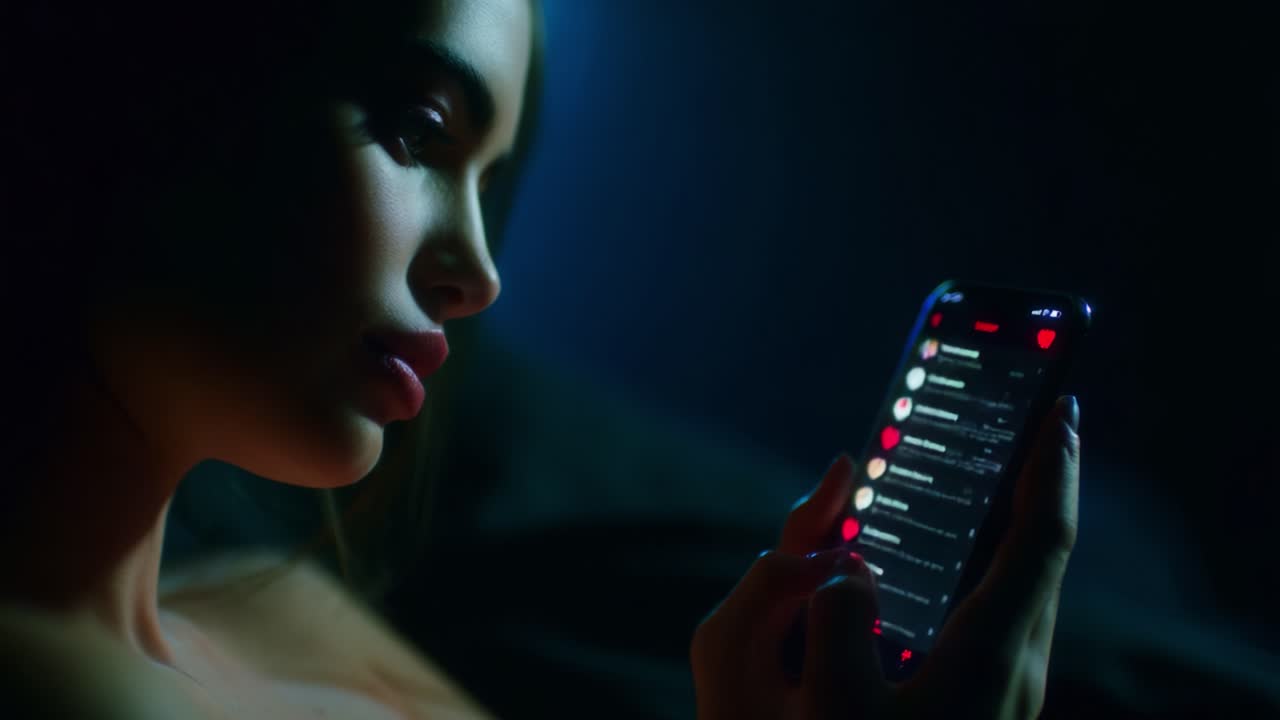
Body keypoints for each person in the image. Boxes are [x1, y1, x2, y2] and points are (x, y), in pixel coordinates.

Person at [0, 0, 1081, 717]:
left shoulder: (286, 609)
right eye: (419, 131)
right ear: (152, 69)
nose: (478, 276)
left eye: (488, 178)